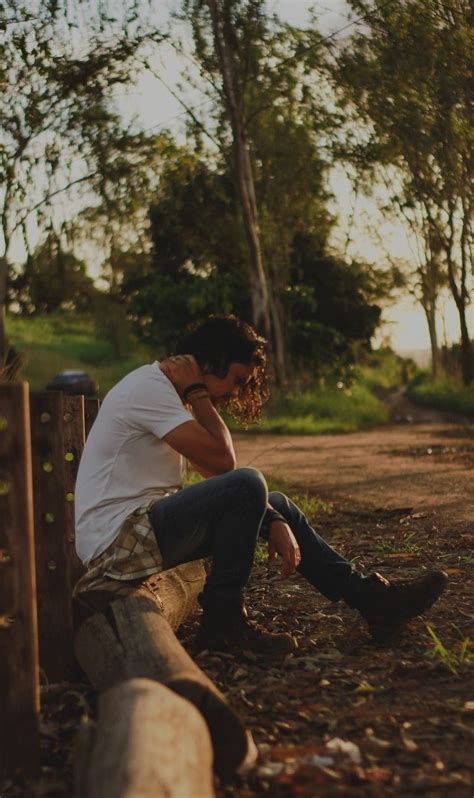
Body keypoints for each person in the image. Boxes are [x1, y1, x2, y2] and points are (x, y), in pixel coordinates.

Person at [74, 315, 447, 655]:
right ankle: (223, 624)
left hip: (139, 532)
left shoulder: (167, 391)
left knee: (275, 501)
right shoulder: (149, 389)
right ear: (213, 361)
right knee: (249, 482)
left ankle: (373, 601)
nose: (236, 393)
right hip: (118, 543)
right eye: (236, 379)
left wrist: (273, 520)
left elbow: (217, 474)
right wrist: (199, 394)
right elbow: (226, 464)